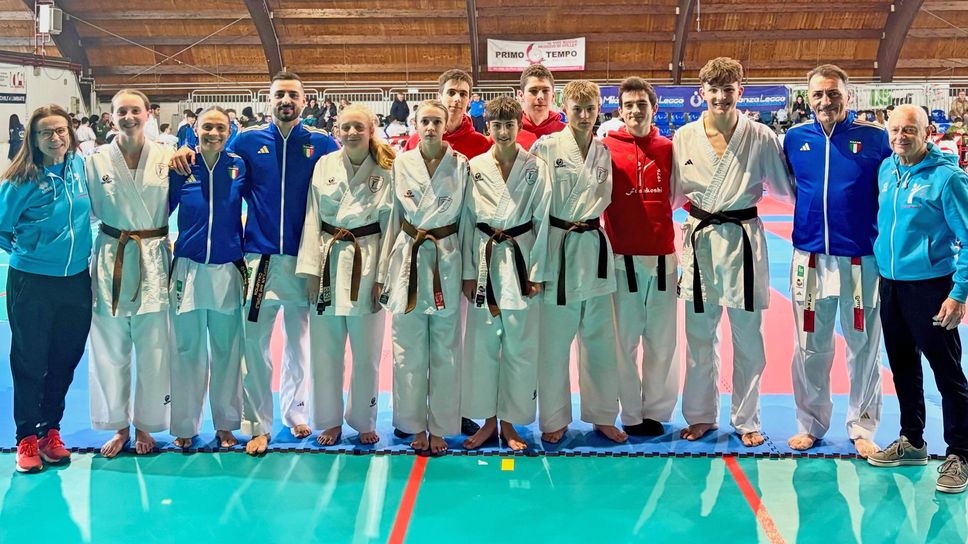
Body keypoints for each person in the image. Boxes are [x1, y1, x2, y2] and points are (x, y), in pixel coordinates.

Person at [172, 71, 340, 455]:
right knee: (255, 346)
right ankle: (257, 424)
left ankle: (297, 413)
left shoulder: (321, 142)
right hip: (260, 259)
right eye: (279, 94)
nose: (286, 100)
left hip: (306, 259)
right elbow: (211, 156)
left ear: (304, 100)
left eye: (293, 95)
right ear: (270, 99)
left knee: (301, 343)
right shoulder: (247, 141)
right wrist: (181, 149)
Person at [672, 57, 795, 447]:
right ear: (701, 93)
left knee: (748, 337)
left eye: (729, 89)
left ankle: (747, 419)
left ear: (740, 91)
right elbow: (672, 194)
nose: (721, 97)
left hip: (743, 241)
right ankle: (702, 416)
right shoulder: (684, 137)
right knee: (699, 336)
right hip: (700, 240)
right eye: (714, 90)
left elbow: (785, 190)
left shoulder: (760, 136)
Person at [783, 65, 893, 458]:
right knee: (810, 346)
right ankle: (810, 424)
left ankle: (862, 426)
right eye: (818, 95)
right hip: (810, 257)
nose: (825, 102)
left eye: (833, 94)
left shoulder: (876, 139)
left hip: (861, 259)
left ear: (848, 96)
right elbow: (794, 186)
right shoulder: (795, 138)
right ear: (807, 98)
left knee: (863, 345)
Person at [866, 104, 968, 494]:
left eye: (909, 130)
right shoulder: (887, 170)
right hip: (890, 286)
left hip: (931, 289)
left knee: (947, 374)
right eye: (894, 129)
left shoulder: (948, 179)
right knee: (903, 368)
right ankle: (913, 441)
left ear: (926, 132)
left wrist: (958, 294)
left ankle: (960, 452)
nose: (900, 137)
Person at [531, 80, 626, 444]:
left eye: (590, 109)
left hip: (594, 249)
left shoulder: (603, 152)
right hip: (557, 248)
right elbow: (537, 209)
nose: (584, 116)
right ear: (563, 108)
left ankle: (603, 415)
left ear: (599, 109)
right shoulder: (546, 147)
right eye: (577, 109)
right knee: (554, 342)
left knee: (600, 340)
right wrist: (536, 266)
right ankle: (554, 418)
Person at [0, 105, 92, 473]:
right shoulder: (20, 179)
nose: (55, 138)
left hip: (76, 282)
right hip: (32, 284)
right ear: (33, 140)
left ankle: (49, 431)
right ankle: (25, 437)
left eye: (61, 131)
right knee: (29, 361)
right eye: (46, 133)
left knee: (64, 362)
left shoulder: (82, 168)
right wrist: (30, 249)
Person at [296, 105, 393, 446]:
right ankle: (330, 420)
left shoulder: (385, 169)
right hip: (326, 262)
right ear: (337, 130)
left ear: (371, 130)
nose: (351, 133)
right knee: (326, 349)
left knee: (366, 350)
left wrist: (382, 277)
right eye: (345, 127)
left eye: (358, 127)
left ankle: (364, 419)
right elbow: (312, 217)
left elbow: (390, 228)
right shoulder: (325, 165)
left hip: (366, 263)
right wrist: (308, 270)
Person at [85, 89, 175, 457]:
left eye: (134, 110)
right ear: (111, 117)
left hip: (153, 256)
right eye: (121, 111)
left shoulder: (168, 156)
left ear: (148, 113)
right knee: (109, 347)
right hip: (112, 257)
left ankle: (146, 426)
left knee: (153, 347)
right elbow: (83, 209)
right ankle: (118, 427)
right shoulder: (94, 161)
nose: (128, 117)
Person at [460, 96, 551, 451]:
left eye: (509, 125)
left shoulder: (535, 167)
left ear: (519, 127)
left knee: (519, 346)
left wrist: (538, 270)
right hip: (484, 262)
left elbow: (543, 220)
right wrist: (469, 272)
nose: (503, 131)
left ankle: (511, 422)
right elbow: (467, 222)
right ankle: (487, 421)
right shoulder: (475, 166)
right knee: (482, 346)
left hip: (522, 259)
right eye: (496, 125)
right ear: (488, 128)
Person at [378, 100, 467, 453]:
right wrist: (384, 272)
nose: (430, 127)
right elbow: (392, 218)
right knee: (407, 349)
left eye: (436, 121)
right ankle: (413, 425)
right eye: (424, 121)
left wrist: (471, 271)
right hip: (408, 260)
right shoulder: (402, 164)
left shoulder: (460, 165)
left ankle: (443, 426)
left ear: (446, 124)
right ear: (414, 124)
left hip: (446, 257)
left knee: (446, 349)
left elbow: (468, 222)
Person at [602, 77, 679, 437]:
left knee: (662, 341)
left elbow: (679, 196)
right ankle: (630, 413)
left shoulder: (668, 148)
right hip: (623, 258)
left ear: (654, 109)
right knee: (623, 342)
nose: (635, 110)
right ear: (620, 110)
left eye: (642, 104)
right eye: (629, 104)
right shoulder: (606, 148)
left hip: (663, 256)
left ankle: (657, 411)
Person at [168, 106, 246, 450]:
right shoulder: (182, 166)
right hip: (188, 267)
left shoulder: (238, 165)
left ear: (229, 132)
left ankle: (227, 424)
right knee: (187, 349)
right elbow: (156, 211)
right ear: (194, 130)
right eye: (206, 128)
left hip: (228, 268)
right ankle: (185, 424)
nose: (213, 133)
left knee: (228, 350)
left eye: (220, 128)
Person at [404, 70, 491, 159]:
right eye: (451, 93)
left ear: (469, 100)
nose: (457, 99)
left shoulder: (481, 143)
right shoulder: (414, 142)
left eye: (463, 94)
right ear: (439, 97)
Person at [517, 64, 566, 149]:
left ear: (553, 96)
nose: (540, 96)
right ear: (521, 95)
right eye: (533, 91)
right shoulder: (508, 132)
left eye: (545, 91)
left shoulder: (565, 132)